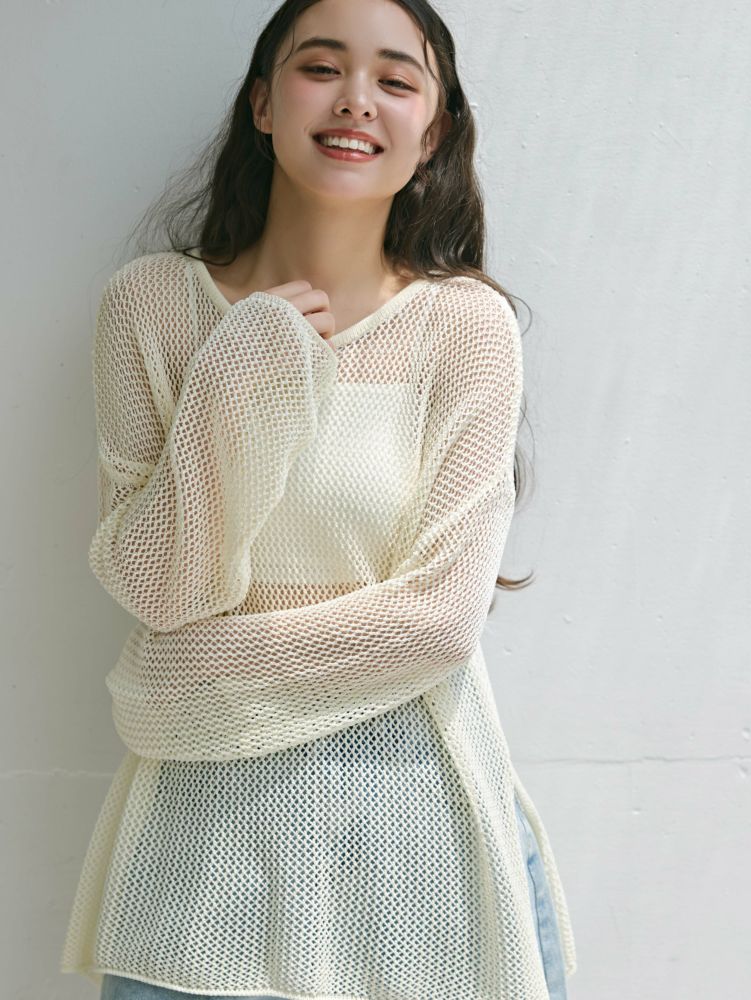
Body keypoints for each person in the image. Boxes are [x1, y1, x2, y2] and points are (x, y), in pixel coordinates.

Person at [60, 1, 577, 998]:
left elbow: (437, 625)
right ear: (262, 103)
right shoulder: (151, 307)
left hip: (422, 856)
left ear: (433, 131)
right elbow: (161, 587)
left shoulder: (463, 327)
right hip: (199, 871)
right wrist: (237, 375)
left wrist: (178, 678)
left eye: (396, 80)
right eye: (321, 67)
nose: (356, 100)